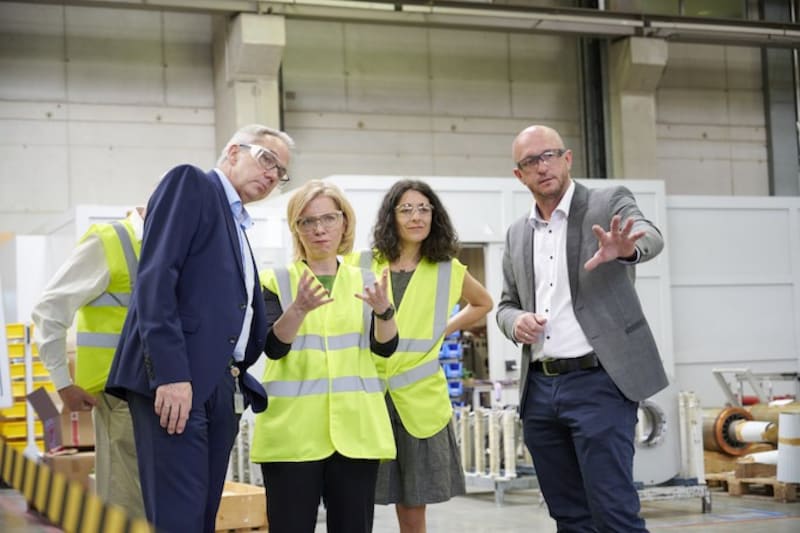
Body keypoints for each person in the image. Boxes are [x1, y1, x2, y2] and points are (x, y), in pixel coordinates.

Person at [105, 124, 293, 533]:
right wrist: (171, 374)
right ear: (232, 153)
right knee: (179, 517)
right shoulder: (192, 184)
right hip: (178, 378)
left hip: (218, 382)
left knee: (203, 516)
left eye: (281, 172)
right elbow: (156, 280)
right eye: (266, 159)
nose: (272, 175)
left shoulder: (237, 223)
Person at [496, 124, 669, 532]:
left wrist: (628, 249)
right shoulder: (517, 234)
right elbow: (504, 305)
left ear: (567, 158)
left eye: (550, 155)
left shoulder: (607, 202)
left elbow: (652, 237)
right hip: (539, 390)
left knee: (613, 511)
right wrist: (515, 321)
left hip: (599, 383)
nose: (543, 167)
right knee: (568, 515)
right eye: (530, 162)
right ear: (519, 175)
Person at [251, 180, 398, 533]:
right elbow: (273, 346)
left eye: (329, 219)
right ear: (296, 229)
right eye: (307, 221)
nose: (319, 229)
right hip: (292, 436)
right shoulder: (275, 280)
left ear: (344, 223)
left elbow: (385, 348)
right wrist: (299, 308)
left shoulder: (368, 280)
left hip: (356, 433)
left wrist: (384, 313)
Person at [352, 179, 493, 533]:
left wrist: (443, 330)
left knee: (413, 502)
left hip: (418, 400)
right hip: (368, 396)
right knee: (354, 497)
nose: (416, 217)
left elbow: (484, 303)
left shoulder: (447, 268)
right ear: (391, 216)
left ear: (434, 215)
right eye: (406, 209)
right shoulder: (363, 263)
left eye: (424, 209)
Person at [31, 207, 145, 518]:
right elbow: (49, 310)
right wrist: (63, 383)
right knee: (127, 504)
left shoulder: (175, 247)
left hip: (168, 398)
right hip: (122, 396)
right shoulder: (111, 241)